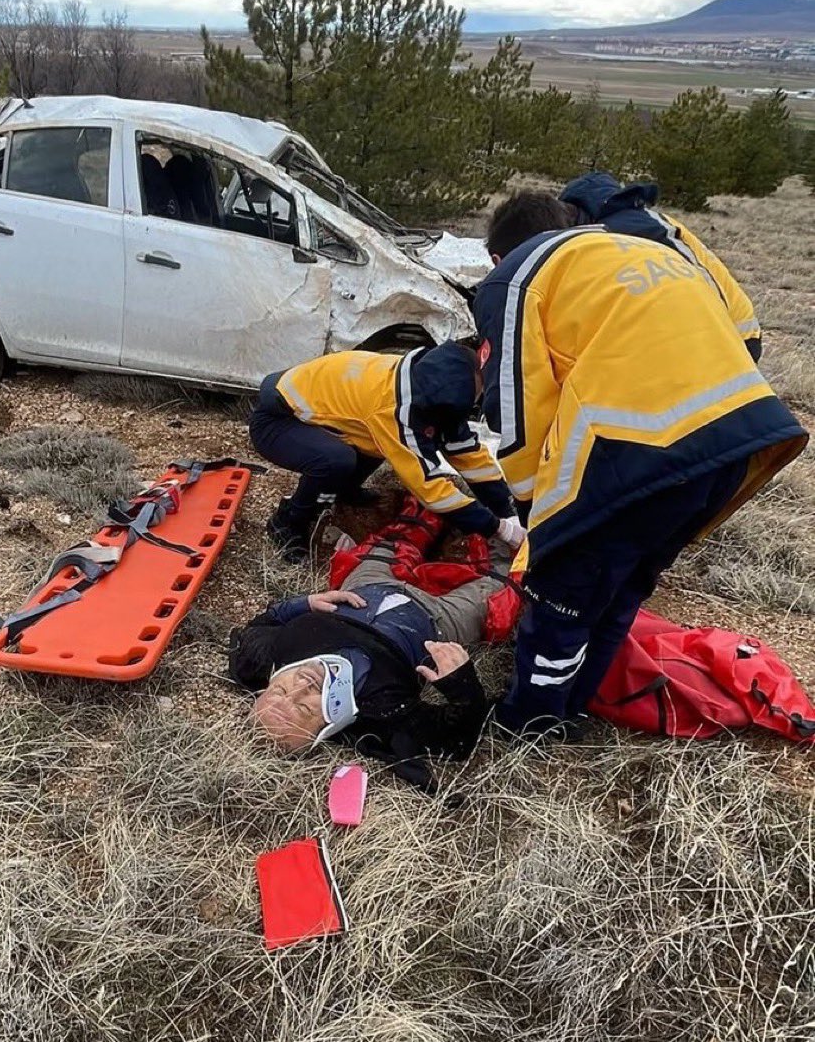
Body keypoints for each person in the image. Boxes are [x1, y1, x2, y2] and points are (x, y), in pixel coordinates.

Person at [471, 194, 808, 739]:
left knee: (561, 599)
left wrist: (540, 516)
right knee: (621, 590)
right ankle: (576, 705)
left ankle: (529, 726)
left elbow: (515, 404)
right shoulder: (635, 249)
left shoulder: (514, 278)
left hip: (637, 448)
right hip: (737, 442)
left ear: (496, 256)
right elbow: (742, 331)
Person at [228, 508, 509, 790]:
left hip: (365, 588)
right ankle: (502, 522)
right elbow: (458, 740)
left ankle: (453, 500)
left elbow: (260, 624)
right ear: (329, 726)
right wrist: (461, 683)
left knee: (404, 531)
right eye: (303, 707)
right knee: (503, 582)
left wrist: (304, 603)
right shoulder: (381, 712)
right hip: (436, 618)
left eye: (280, 691)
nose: (302, 685)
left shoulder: (263, 656)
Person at [248, 342, 525, 561]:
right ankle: (288, 522)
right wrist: (497, 528)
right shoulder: (395, 409)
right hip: (277, 421)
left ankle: (344, 491)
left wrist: (505, 508)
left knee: (375, 443)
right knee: (336, 460)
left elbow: (466, 452)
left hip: (320, 413)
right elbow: (431, 490)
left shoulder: (425, 380)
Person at [558, 172, 762, 362]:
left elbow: (695, 275)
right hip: (730, 328)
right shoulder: (653, 220)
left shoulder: (622, 231)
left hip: (730, 334)